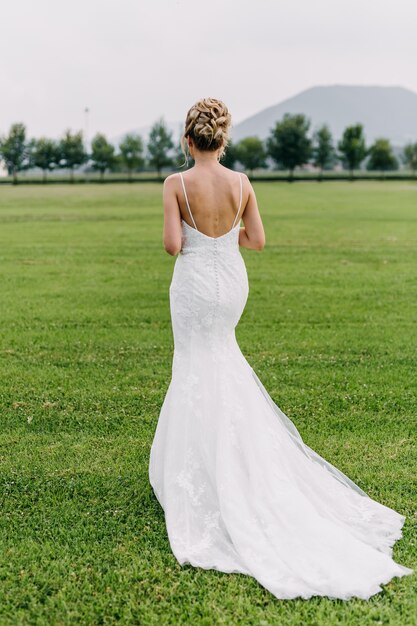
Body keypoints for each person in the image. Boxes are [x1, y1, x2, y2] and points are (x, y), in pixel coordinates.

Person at [148, 97, 413, 600]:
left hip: (194, 286)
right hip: (231, 279)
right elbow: (258, 240)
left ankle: (203, 468)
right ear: (222, 139)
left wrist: (195, 236)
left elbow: (171, 246)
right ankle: (238, 458)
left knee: (197, 366)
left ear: (188, 140)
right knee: (224, 358)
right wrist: (226, 239)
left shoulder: (174, 184)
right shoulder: (242, 183)